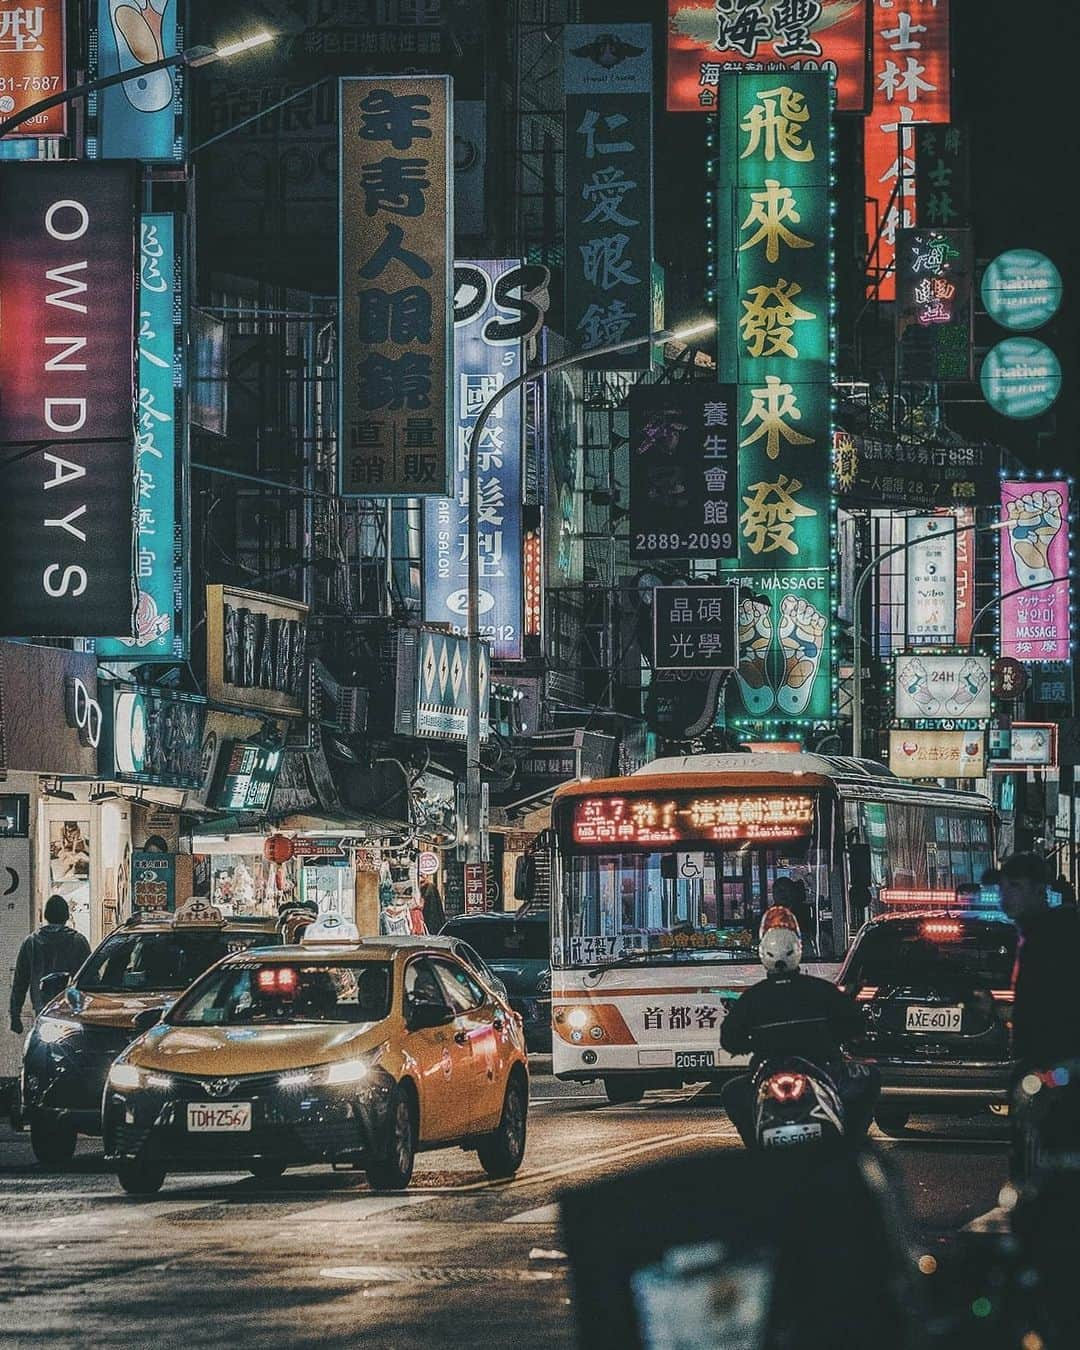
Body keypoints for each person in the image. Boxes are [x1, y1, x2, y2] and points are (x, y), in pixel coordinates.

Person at [720, 907, 877, 1148]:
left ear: (764, 954)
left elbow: (729, 1039)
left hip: (767, 1073)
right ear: (798, 951)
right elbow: (855, 1023)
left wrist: (751, 1042)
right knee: (870, 1078)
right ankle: (855, 1146)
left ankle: (754, 1149)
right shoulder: (821, 990)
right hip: (824, 1068)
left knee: (731, 1091)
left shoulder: (752, 998)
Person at [1000, 852, 1080, 1070]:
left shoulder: (1059, 937)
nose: (1005, 896)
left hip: (1059, 1069)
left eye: (1015, 886)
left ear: (1038, 890)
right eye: (1003, 888)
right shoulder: (1030, 938)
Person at [9, 895, 92, 1034]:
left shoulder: (31, 943)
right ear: (67, 916)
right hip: (72, 1012)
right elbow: (91, 980)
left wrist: (15, 1015)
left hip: (42, 1010)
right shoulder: (79, 942)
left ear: (46, 915)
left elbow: (20, 982)